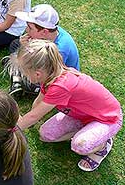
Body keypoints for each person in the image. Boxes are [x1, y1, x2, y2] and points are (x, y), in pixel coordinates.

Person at [16, 39, 122, 171]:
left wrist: (10, 131)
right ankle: (87, 130)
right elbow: (38, 102)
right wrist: (28, 122)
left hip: (108, 119)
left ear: (37, 73)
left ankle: (102, 145)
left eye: (25, 73)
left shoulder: (61, 87)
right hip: (81, 115)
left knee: (80, 146)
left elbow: (34, 116)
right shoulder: (50, 76)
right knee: (46, 135)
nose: (24, 75)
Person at [4, 4, 80, 96]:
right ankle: (17, 77)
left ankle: (17, 79)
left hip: (52, 77)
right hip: (44, 67)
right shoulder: (51, 32)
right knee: (15, 44)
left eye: (30, 28)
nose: (27, 30)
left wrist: (27, 48)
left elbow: (46, 75)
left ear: (44, 32)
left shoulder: (60, 50)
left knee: (29, 82)